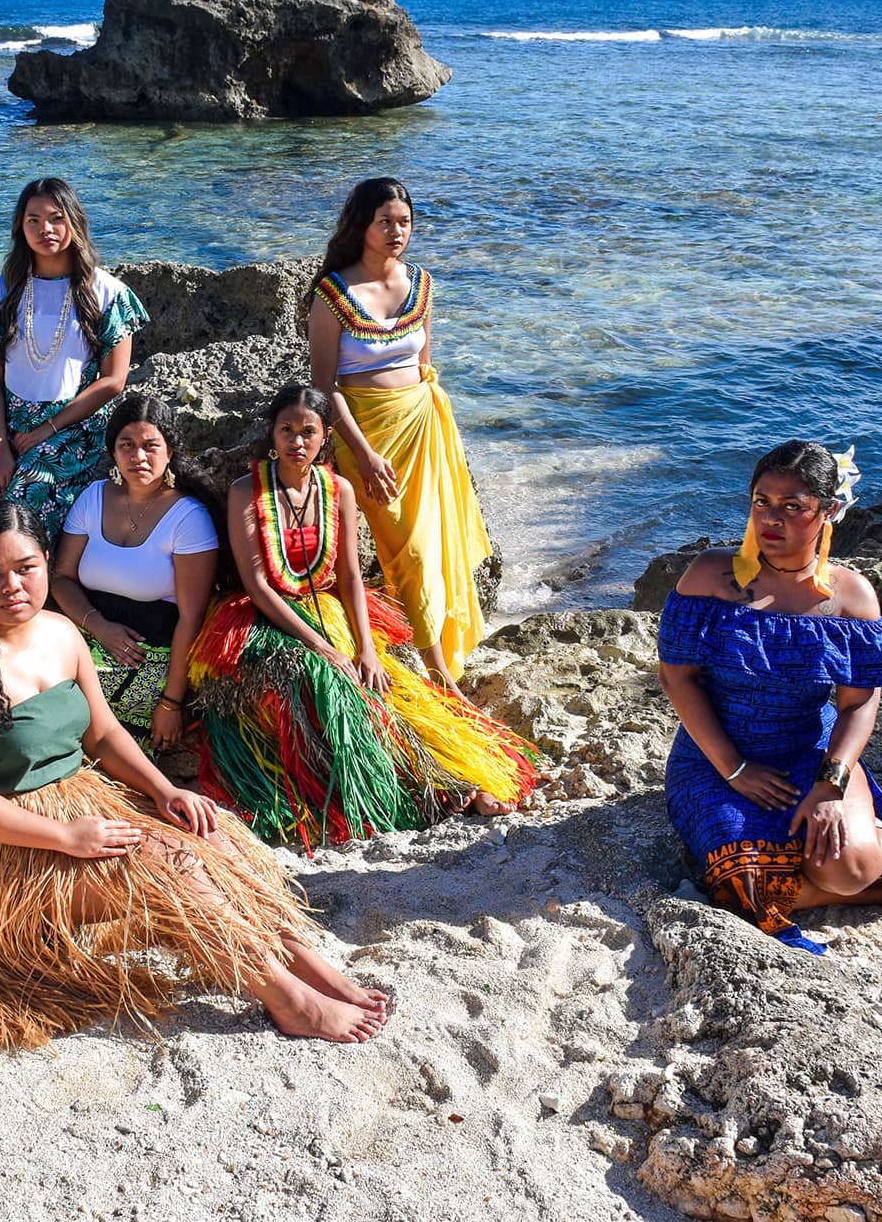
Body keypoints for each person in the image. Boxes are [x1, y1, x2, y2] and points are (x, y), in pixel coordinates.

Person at [0, 500, 391, 1048]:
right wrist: (67, 837)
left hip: (73, 803)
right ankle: (289, 1000)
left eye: (25, 568)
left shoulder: (62, 633)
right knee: (170, 871)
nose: (12, 585)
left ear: (47, 565)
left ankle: (308, 966)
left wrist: (165, 789)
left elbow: (104, 735)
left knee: (213, 839)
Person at [188, 385, 538, 851]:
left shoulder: (338, 489)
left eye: (307, 431)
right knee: (327, 684)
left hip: (327, 609)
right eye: (286, 430)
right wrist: (322, 647)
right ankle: (409, 793)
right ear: (272, 434)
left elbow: (351, 576)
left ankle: (445, 779)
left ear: (324, 437)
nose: (296, 441)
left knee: (387, 688)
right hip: (263, 616)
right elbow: (257, 584)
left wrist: (366, 648)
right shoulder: (246, 490)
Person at [656, 440, 882, 955]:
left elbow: (857, 703)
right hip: (715, 753)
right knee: (747, 886)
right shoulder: (710, 576)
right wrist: (735, 769)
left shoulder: (850, 596)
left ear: (828, 512)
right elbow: (677, 679)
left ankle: (865, 873)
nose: (771, 518)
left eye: (793, 506)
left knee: (850, 869)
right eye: (762, 501)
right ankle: (867, 884)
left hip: (809, 749)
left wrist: (830, 784)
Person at [307, 177, 491, 692]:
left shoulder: (422, 285)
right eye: (384, 221)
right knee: (407, 553)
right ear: (362, 225)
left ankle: (441, 663)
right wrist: (362, 455)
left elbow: (424, 365)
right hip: (363, 430)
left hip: (423, 428)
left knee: (434, 546)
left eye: (404, 222)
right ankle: (441, 675)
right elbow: (325, 387)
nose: (396, 231)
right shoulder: (333, 295)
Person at [0, 177, 148, 544]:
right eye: (32, 220)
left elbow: (114, 380)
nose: (44, 229)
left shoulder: (108, 293)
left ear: (74, 222)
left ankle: (38, 588)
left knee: (28, 492)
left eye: (56, 218)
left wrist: (46, 430)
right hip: (9, 421)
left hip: (73, 423)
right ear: (20, 227)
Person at [51, 393, 220, 750]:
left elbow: (192, 616)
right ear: (113, 451)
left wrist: (171, 703)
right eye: (126, 445)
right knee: (42, 718)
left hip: (150, 652)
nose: (138, 456)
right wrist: (99, 627)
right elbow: (61, 578)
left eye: (150, 445)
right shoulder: (94, 497)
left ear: (170, 451)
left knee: (111, 749)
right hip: (85, 633)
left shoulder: (189, 518)